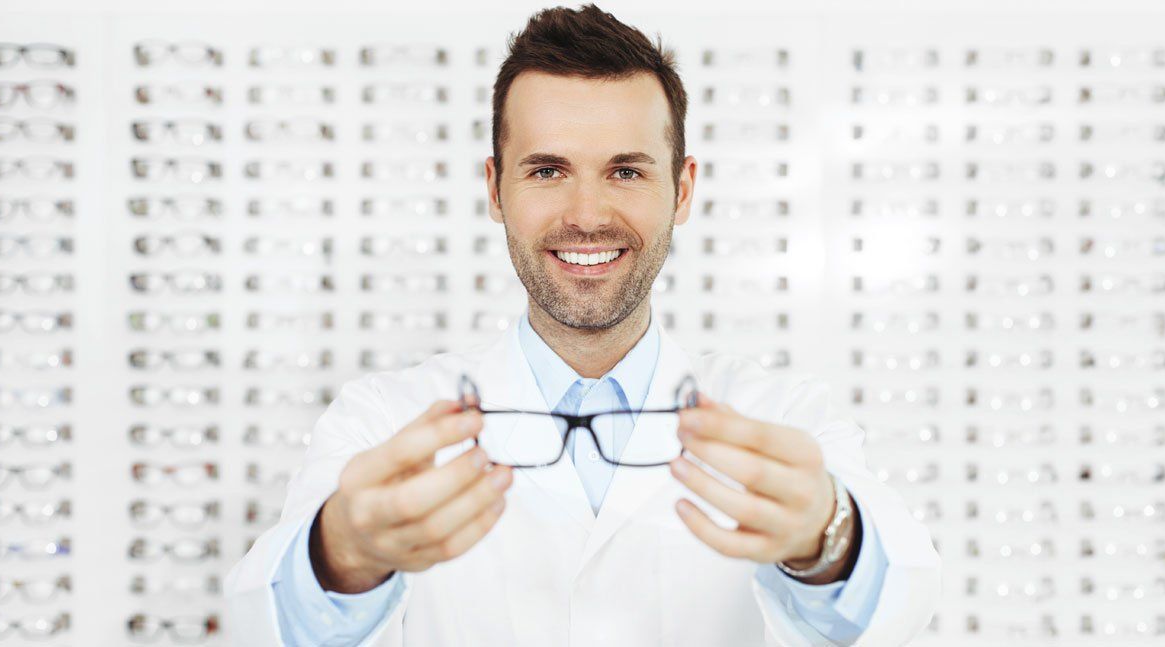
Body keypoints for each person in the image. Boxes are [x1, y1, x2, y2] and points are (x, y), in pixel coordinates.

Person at [224, 4, 940, 645]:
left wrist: (826, 540)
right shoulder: (385, 421)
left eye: (626, 171)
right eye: (546, 171)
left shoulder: (786, 420)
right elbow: (270, 626)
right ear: (495, 187)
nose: (588, 214)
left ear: (682, 188)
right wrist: (345, 552)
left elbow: (896, 609)